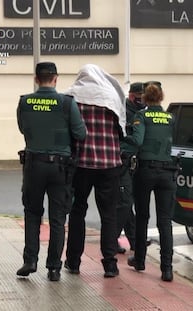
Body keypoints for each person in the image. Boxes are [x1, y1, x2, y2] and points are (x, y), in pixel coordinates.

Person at [16, 62, 87, 282]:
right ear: (56, 78)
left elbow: (22, 128)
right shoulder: (67, 103)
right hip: (60, 168)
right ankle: (54, 268)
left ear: (36, 79)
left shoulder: (25, 102)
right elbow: (81, 133)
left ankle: (30, 260)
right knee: (58, 218)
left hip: (33, 165)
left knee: (32, 213)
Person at [64, 64, 126, 278]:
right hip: (109, 165)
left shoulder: (72, 97)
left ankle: (73, 261)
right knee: (108, 215)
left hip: (81, 164)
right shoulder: (111, 97)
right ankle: (110, 264)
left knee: (77, 212)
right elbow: (122, 129)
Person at [124, 81, 177, 282]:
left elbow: (137, 141)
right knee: (165, 221)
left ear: (144, 98)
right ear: (161, 97)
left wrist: (124, 139)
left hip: (145, 171)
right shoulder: (171, 118)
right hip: (168, 172)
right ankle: (167, 269)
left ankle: (139, 260)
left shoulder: (142, 116)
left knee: (142, 217)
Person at [116, 82, 145, 254]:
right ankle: (113, 238)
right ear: (132, 96)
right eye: (139, 97)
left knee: (129, 202)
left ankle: (134, 240)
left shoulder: (143, 112)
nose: (142, 101)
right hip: (124, 161)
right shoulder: (123, 111)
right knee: (123, 202)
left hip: (139, 162)